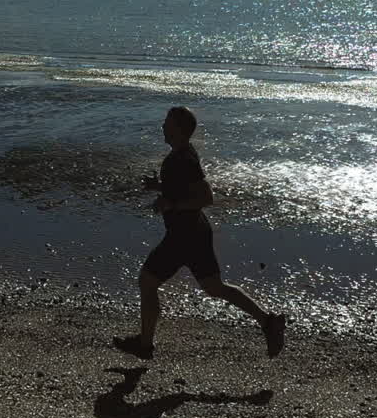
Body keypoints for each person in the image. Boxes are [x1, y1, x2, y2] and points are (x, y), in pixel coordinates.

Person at [113, 106, 286, 360]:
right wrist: (159, 188)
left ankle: (145, 344)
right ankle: (268, 322)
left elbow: (206, 197)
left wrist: (171, 204)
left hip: (183, 236)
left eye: (167, 123)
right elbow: (182, 188)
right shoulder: (182, 155)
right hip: (195, 233)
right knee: (214, 287)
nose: (162, 127)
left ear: (179, 130)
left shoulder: (183, 159)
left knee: (147, 281)